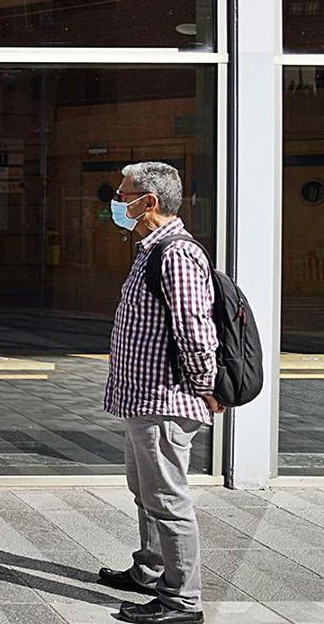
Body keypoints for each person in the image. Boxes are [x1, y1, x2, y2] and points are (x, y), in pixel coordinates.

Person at [98, 162, 224, 624]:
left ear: (148, 202)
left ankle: (182, 599)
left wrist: (206, 387)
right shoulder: (149, 250)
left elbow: (196, 331)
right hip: (142, 399)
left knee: (167, 501)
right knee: (145, 493)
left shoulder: (175, 255)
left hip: (165, 400)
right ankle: (150, 570)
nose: (117, 199)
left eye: (123, 192)